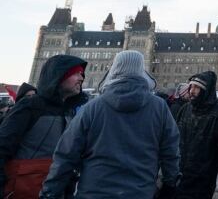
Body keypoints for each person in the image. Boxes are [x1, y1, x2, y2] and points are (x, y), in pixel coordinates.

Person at [39, 50, 179, 198]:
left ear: (115, 69)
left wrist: (50, 192)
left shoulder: (93, 107)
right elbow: (171, 151)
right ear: (141, 71)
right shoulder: (160, 107)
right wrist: (170, 185)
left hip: (94, 192)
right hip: (139, 192)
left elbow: (66, 153)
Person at [0, 55, 88, 199]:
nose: (81, 78)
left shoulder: (70, 112)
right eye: (77, 73)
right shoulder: (30, 106)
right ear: (60, 75)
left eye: (82, 74)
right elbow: (2, 146)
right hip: (21, 190)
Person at [175, 70, 218, 199]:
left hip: (206, 184)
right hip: (181, 180)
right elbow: (173, 142)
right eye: (191, 86)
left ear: (206, 90)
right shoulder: (185, 110)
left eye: (197, 87)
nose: (191, 91)